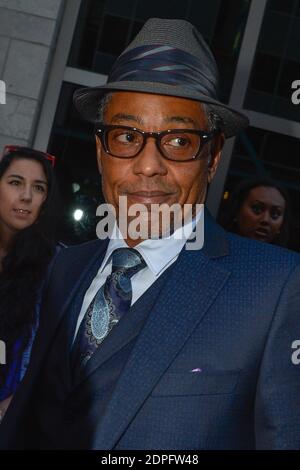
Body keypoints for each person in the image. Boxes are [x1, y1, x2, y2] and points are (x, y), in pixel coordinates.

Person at [1, 18, 300, 450]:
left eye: (178, 141)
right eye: (126, 136)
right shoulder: (66, 268)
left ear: (212, 157)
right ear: (101, 151)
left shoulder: (276, 288)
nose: (148, 166)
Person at [0, 146, 61, 421]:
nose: (26, 196)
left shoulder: (56, 265)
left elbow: (52, 357)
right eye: (15, 183)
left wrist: (13, 405)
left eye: (38, 188)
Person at [221, 177, 290, 246]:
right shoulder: (215, 246)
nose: (265, 219)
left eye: (275, 214)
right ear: (237, 211)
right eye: (257, 209)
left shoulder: (284, 256)